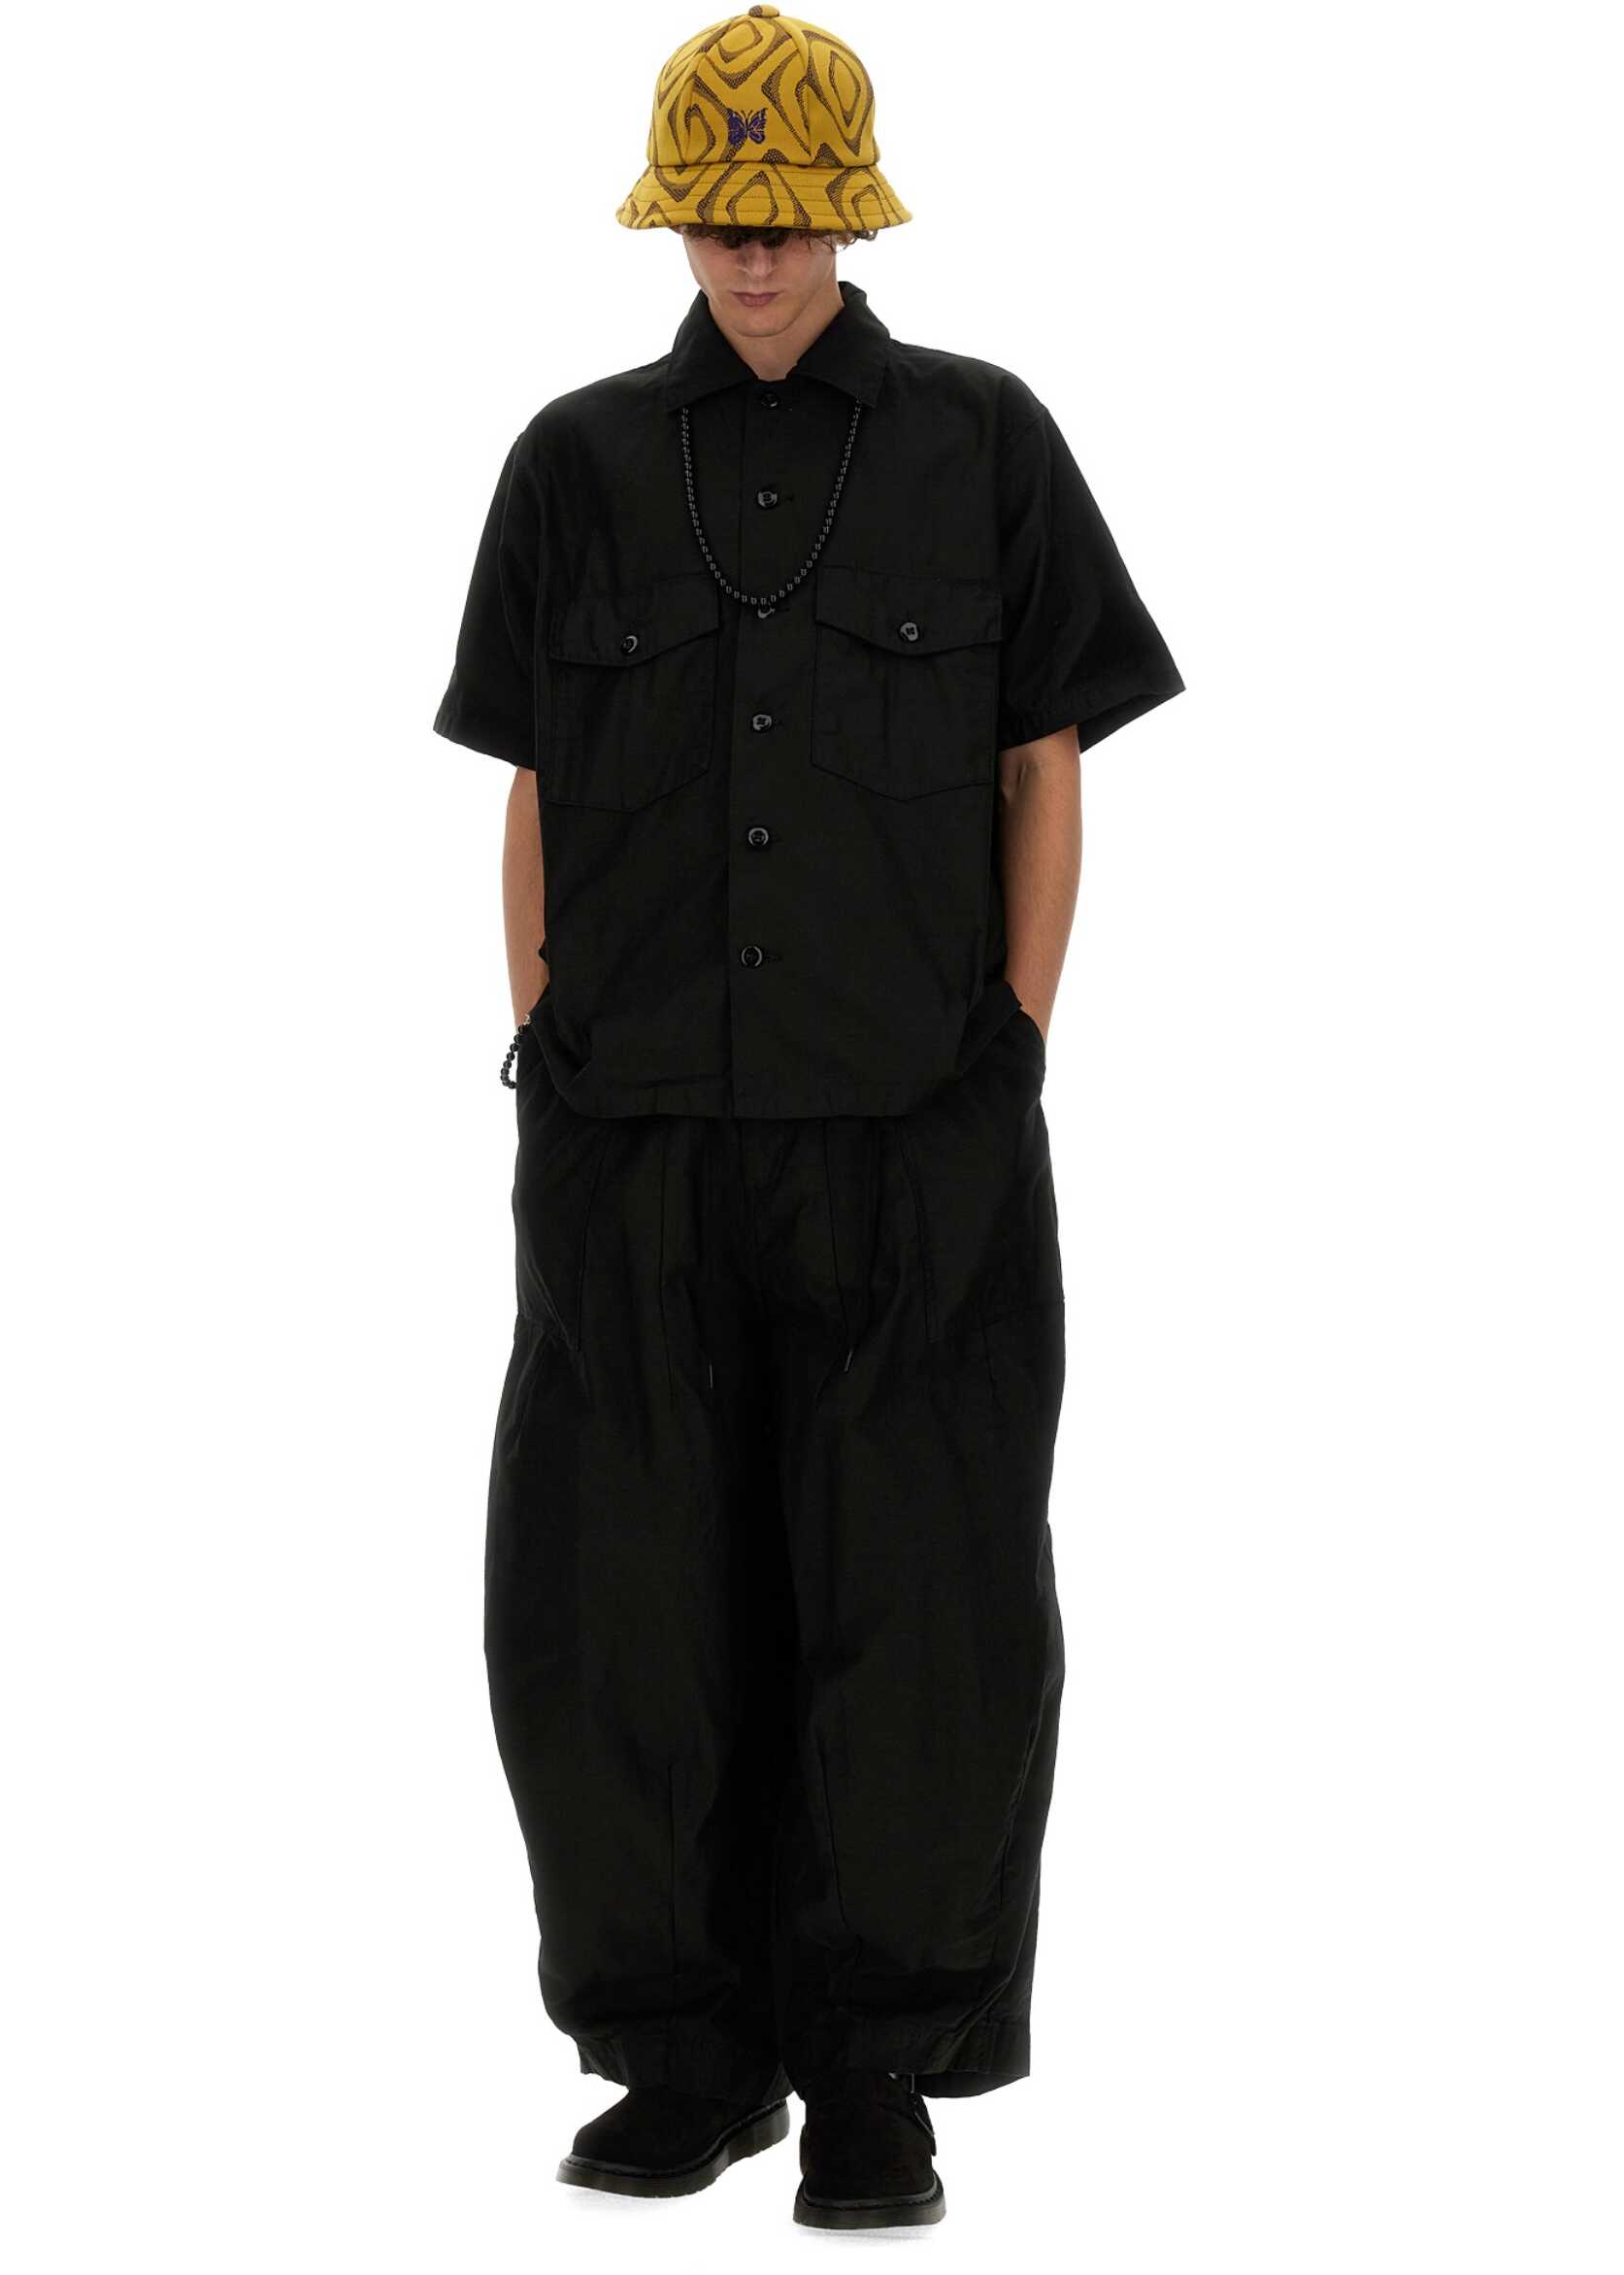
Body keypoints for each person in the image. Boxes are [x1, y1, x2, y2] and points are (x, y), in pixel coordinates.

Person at [432, 4, 1183, 2232]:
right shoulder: (572, 464)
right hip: (632, 1134)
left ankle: (877, 2073)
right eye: (716, 219)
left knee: (924, 1609)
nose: (752, 257)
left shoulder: (985, 441)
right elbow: (533, 783)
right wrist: (548, 1051)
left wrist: (1011, 1044)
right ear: (672, 224)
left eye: (787, 219)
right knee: (617, 1607)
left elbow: (1046, 761)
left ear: (852, 220)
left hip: (915, 1132)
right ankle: (683, 2053)